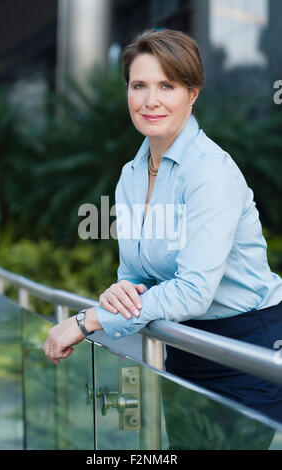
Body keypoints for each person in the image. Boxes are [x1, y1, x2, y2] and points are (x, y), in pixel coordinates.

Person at [43, 28, 282, 428]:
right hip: (181, 343)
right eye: (139, 85)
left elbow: (193, 292)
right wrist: (121, 292)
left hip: (246, 346)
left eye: (167, 85)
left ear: (193, 93)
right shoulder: (131, 176)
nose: (150, 100)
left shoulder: (210, 172)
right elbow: (136, 277)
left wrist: (88, 321)